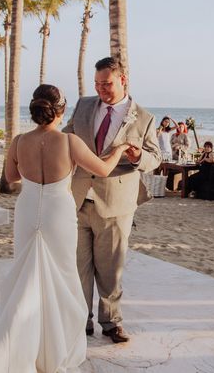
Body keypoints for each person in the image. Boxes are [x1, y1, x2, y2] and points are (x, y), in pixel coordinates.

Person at [0, 84, 134, 373]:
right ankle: (54, 347)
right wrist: (120, 147)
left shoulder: (19, 141)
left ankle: (20, 341)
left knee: (26, 271)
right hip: (58, 212)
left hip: (28, 208)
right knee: (61, 276)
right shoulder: (70, 143)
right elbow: (104, 170)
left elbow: (10, 178)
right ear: (60, 111)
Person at [63, 57, 161, 343]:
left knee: (110, 269)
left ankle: (111, 321)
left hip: (117, 202)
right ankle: (81, 320)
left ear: (123, 80)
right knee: (78, 267)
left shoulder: (144, 118)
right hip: (78, 198)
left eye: (106, 84)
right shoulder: (82, 106)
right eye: (97, 84)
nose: (101, 89)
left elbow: (155, 158)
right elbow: (67, 138)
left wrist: (138, 156)